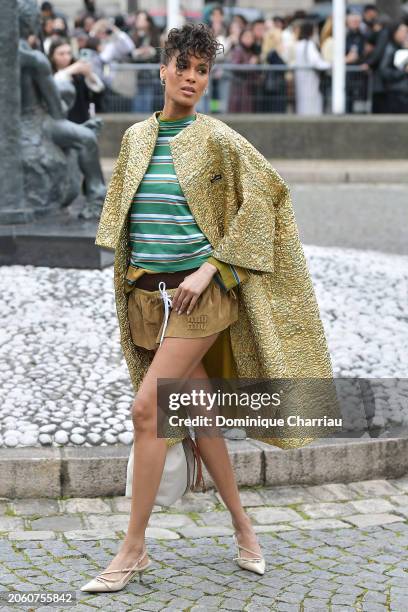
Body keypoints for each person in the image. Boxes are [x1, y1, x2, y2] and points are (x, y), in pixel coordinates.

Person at [81, 22, 336, 593]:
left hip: (202, 297)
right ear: (163, 70)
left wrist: (211, 268)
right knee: (199, 418)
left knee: (148, 410)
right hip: (151, 299)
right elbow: (125, 223)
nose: (193, 78)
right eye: (185, 67)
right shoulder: (136, 139)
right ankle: (245, 529)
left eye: (203, 70)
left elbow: (266, 198)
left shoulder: (218, 137)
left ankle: (133, 549)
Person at [48, 37, 105, 124]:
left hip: (80, 120)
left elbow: (98, 88)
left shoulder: (78, 74)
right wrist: (73, 68)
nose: (66, 57)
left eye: (68, 53)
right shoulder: (48, 73)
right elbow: (54, 83)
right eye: (61, 54)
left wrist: (89, 74)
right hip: (59, 122)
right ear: (52, 56)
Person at [293, 20, 330, 115]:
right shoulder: (309, 45)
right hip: (310, 80)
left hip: (301, 79)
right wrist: (331, 65)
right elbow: (316, 62)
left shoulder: (298, 44)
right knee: (312, 103)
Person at [379, 21, 408, 113]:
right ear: (395, 32)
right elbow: (384, 71)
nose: (405, 35)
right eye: (403, 31)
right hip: (396, 93)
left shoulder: (401, 48)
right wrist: (403, 71)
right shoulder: (390, 49)